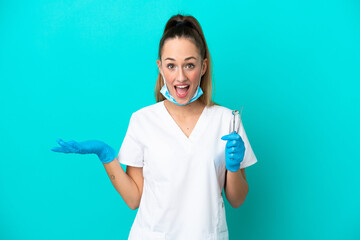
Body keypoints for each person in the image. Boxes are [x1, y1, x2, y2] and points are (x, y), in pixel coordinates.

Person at [51, 14, 257, 240]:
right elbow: (133, 199)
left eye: (189, 65)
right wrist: (106, 154)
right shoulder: (142, 121)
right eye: (171, 65)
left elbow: (237, 200)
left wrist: (234, 167)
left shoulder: (227, 121)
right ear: (160, 67)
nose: (181, 77)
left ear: (204, 66)